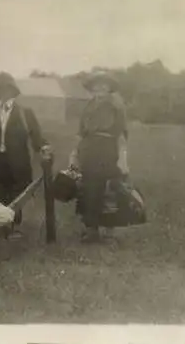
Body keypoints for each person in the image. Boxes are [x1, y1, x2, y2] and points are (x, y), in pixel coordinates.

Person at [0, 72, 49, 238]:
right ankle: (2, 228)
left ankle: (13, 227)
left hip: (18, 162)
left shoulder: (25, 113)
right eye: (0, 90)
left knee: (17, 194)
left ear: (13, 92)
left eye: (7, 90)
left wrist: (44, 148)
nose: (4, 93)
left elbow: (36, 136)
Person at [72, 70, 128, 243]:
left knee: (109, 189)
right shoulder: (88, 107)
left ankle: (109, 232)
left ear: (110, 88)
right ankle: (91, 229)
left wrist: (123, 158)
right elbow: (80, 133)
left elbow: (122, 134)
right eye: (97, 85)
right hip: (88, 150)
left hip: (108, 149)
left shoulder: (117, 106)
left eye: (104, 85)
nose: (100, 89)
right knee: (89, 189)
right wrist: (74, 153)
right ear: (92, 88)